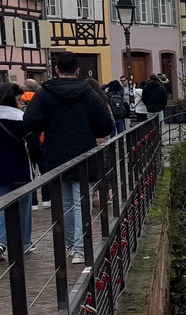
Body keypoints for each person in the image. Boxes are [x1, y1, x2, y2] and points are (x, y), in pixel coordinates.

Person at [23, 53, 113, 265]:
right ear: (78, 70)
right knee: (82, 201)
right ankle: (81, 248)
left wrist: (47, 129)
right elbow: (105, 124)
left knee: (64, 202)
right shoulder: (89, 94)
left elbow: (30, 120)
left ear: (56, 70)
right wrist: (90, 132)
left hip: (56, 154)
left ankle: (72, 245)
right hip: (84, 152)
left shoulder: (44, 93)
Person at [0, 82, 36, 258]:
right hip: (21, 168)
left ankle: (1, 242)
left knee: (1, 207)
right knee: (23, 207)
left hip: (0, 170)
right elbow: (33, 144)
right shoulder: (22, 119)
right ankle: (24, 242)